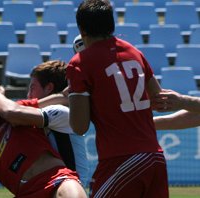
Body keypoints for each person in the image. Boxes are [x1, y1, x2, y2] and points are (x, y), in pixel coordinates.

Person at [66, 0, 168, 197]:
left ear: (81, 28)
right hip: (155, 156)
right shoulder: (133, 51)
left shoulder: (79, 63)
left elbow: (79, 126)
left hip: (121, 159)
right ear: (111, 25)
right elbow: (159, 99)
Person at [21, 60, 89, 186]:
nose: (29, 95)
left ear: (49, 88)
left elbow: (12, 112)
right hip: (61, 186)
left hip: (71, 188)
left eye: (32, 88)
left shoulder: (60, 111)